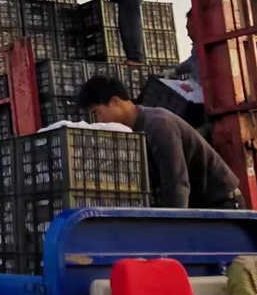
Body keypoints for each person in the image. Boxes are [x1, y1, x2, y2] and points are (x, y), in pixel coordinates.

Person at [76, 75, 244, 209]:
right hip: (200, 205)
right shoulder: (134, 132)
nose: (99, 120)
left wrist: (170, 227)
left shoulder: (158, 124)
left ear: (115, 102)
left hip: (222, 205)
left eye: (97, 113)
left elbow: (176, 182)